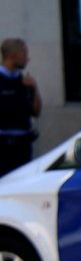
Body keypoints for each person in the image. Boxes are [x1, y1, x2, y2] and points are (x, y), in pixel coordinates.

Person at [0, 40, 41, 174]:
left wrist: (34, 88)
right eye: (24, 53)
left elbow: (36, 111)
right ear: (13, 55)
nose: (27, 58)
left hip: (23, 144)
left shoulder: (24, 81)